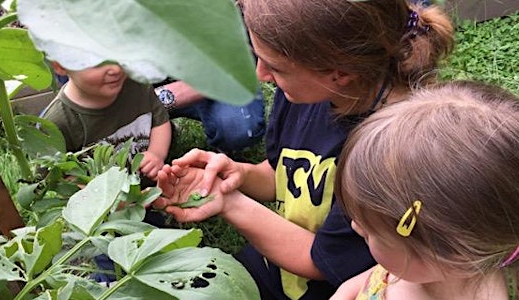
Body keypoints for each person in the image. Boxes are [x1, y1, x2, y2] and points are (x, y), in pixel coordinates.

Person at [153, 1, 455, 299]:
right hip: (274, 263)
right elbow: (281, 173)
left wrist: (230, 203)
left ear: (339, 72)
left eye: (274, 66)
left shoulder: (391, 153)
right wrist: (238, 174)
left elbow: (320, 261)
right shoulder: (306, 92)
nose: (261, 74)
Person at [330, 80, 519, 300]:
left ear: (449, 257)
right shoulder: (417, 269)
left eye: (372, 233)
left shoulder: (421, 270)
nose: (355, 227)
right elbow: (376, 278)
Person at [42, 62, 172, 181]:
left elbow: (159, 121)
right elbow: (55, 181)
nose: (116, 69)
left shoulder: (137, 84)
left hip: (150, 188)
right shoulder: (57, 123)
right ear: (60, 65)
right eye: (97, 61)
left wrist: (156, 153)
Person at [154, 79, 266, 155]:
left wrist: (166, 96)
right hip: (143, 84)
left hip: (209, 72)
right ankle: (156, 129)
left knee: (237, 127)